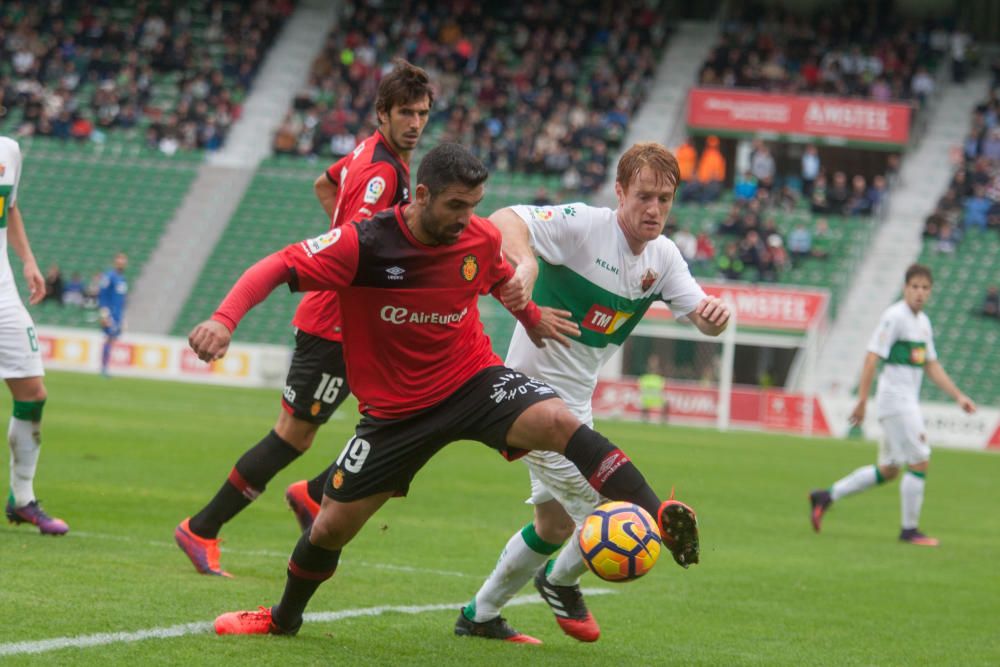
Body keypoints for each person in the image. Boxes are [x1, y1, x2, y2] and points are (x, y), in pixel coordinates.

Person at [190, 143, 705, 638]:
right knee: (328, 529)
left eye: (473, 206)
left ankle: (658, 513)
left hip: (472, 381)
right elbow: (278, 265)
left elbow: (502, 275)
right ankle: (283, 618)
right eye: (456, 205)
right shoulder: (365, 244)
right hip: (395, 414)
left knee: (558, 422)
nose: (466, 219)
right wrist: (223, 319)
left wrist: (531, 316)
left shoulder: (476, 238)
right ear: (420, 195)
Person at [458, 143, 730, 643]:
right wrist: (527, 265)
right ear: (620, 192)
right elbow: (501, 219)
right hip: (528, 398)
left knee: (556, 524)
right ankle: (561, 582)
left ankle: (479, 614)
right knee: (619, 517)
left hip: (577, 406)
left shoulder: (664, 257)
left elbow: (701, 316)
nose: (654, 210)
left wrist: (714, 317)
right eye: (644, 196)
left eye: (665, 200)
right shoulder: (582, 226)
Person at [175, 60, 434, 577]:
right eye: (405, 112)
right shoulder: (384, 173)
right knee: (294, 435)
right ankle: (204, 527)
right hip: (334, 323)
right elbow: (360, 244)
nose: (415, 123)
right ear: (382, 112)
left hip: (351, 322)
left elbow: (324, 185)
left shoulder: (368, 151)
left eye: (423, 113)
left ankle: (313, 494)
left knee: (406, 412)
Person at [810, 264, 976, 546]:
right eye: (915, 287)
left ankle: (826, 496)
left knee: (889, 469)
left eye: (925, 288)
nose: (920, 293)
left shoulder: (923, 323)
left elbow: (931, 365)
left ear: (930, 292)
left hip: (904, 402)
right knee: (920, 458)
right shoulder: (894, 317)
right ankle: (909, 530)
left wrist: (958, 396)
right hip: (896, 401)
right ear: (905, 288)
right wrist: (861, 401)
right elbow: (872, 358)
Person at [0, 136, 69, 535]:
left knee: (32, 393)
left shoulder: (8, 150)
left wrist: (28, 260)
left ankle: (22, 499)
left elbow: (9, 208)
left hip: (4, 291)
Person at [97, 252, 128, 376]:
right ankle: (103, 368)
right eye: (119, 259)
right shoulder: (109, 276)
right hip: (110, 314)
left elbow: (121, 300)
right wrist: (104, 315)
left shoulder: (122, 279)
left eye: (123, 260)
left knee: (112, 340)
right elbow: (102, 296)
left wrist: (122, 317)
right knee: (108, 339)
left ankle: (106, 367)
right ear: (115, 261)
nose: (122, 262)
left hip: (118, 314)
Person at [638, 355, 668, 424]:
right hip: (648, 397)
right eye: (652, 360)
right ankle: (645, 419)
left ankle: (663, 420)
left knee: (665, 403)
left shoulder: (659, 372)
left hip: (655, 397)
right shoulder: (646, 370)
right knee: (644, 403)